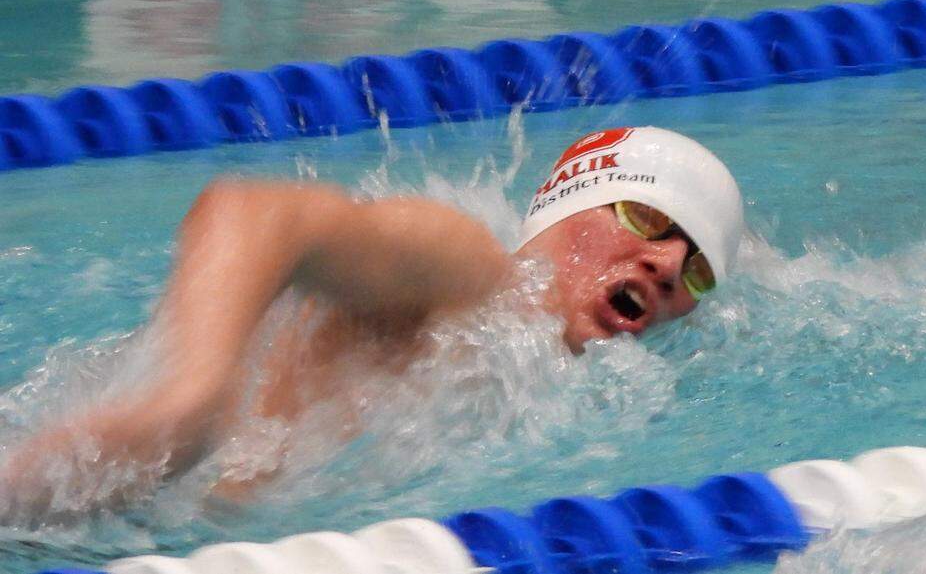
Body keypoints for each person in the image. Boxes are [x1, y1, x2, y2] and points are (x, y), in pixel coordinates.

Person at [0, 126, 743, 519]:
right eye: (646, 218)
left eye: (696, 268)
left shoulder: (563, 398)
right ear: (564, 207)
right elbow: (256, 210)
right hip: (86, 496)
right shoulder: (470, 272)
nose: (667, 265)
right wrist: (189, 398)